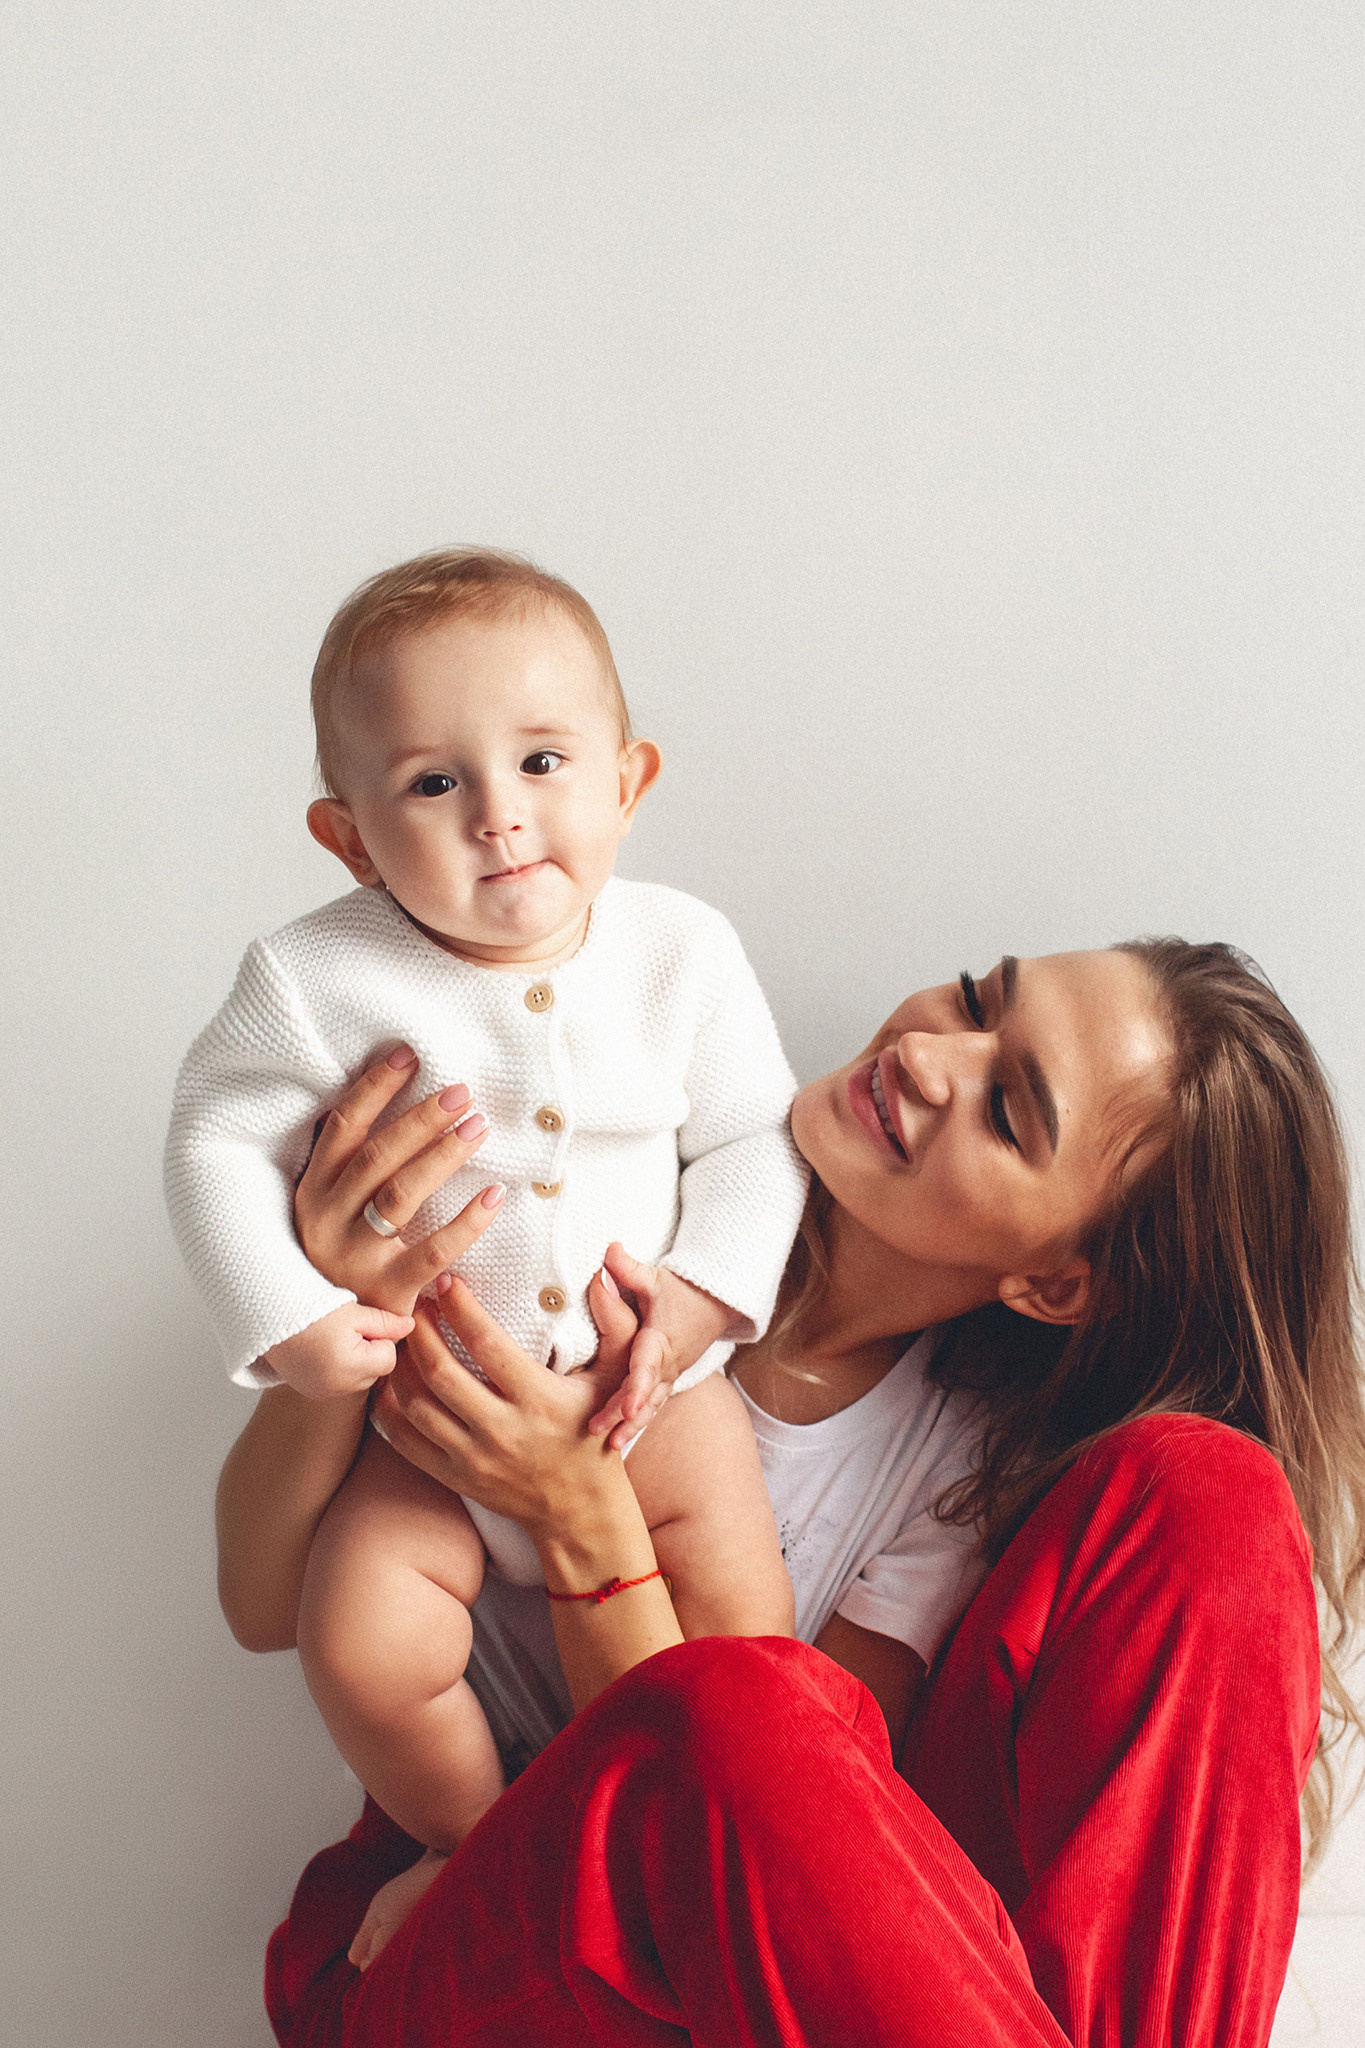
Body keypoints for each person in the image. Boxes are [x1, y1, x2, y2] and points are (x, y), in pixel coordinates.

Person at [217, 938, 1365, 2046]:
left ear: (1056, 1283)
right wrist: (330, 1328)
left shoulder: (975, 1478)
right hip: (451, 1941)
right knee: (750, 1705)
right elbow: (265, 1606)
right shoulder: (597, 1189)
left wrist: (586, 1520)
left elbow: (768, 1837)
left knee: (1212, 1490)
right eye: (976, 996)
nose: (929, 1053)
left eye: (1008, 1108)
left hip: (768, 1989)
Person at [168, 550, 808, 1864]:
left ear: (628, 783)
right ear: (347, 837)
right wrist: (292, 1314)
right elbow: (216, 1143)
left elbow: (756, 1141)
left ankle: (739, 1840)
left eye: (542, 763)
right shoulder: (310, 976)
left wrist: (692, 1313)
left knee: (747, 1646)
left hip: (652, 1398)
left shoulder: (682, 950)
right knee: (362, 1641)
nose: (497, 818)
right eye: (432, 783)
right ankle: (484, 1851)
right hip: (427, 1421)